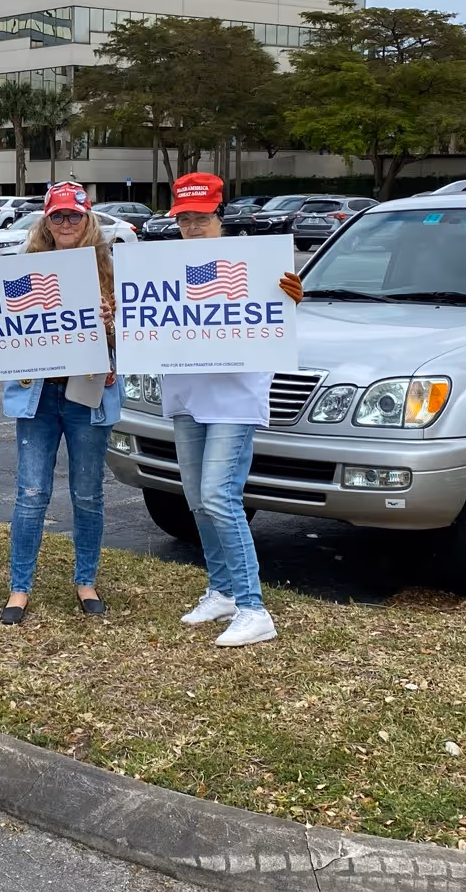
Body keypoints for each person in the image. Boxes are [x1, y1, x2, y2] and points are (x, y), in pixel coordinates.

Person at [164, 173, 303, 647]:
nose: (192, 226)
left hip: (235, 398)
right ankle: (221, 590)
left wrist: (291, 301)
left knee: (220, 497)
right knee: (199, 500)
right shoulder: (163, 266)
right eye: (184, 218)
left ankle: (252, 606)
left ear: (219, 216)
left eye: (201, 217)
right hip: (185, 394)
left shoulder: (257, 262)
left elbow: (278, 315)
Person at [0, 182, 121, 625]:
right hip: (37, 393)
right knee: (31, 493)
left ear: (87, 219)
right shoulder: (22, 270)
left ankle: (85, 579)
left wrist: (112, 329)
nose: (66, 223)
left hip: (88, 394)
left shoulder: (113, 269)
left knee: (87, 494)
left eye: (74, 215)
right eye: (57, 216)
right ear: (45, 222)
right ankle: (19, 587)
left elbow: (144, 337)